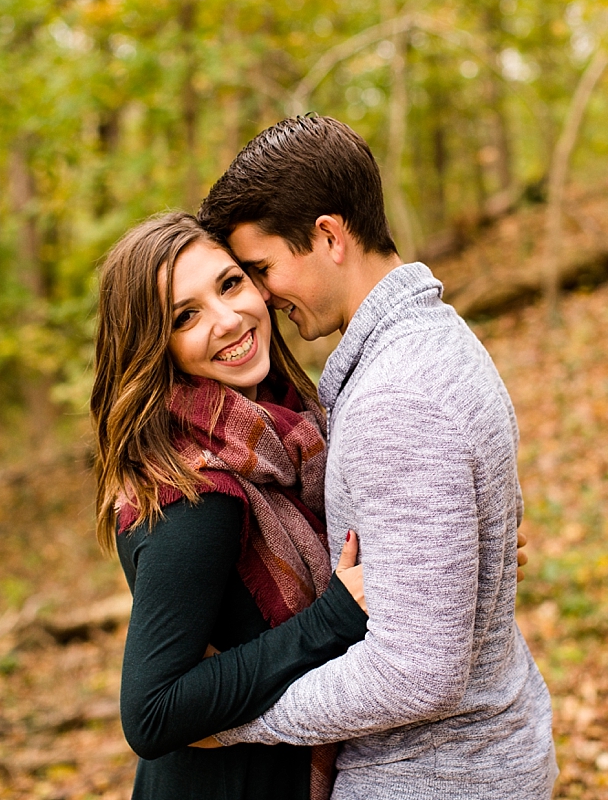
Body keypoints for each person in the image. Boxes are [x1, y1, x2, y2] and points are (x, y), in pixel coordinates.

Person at [196, 115, 557, 799]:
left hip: (435, 776)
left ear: (330, 236)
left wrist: (236, 718)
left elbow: (416, 669)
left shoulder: (398, 394)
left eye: (264, 269)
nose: (262, 298)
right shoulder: (431, 342)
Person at [90, 211, 371, 800]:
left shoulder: (280, 433)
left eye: (231, 284)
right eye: (185, 316)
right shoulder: (199, 495)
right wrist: (335, 617)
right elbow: (152, 711)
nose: (227, 319)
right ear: (154, 346)